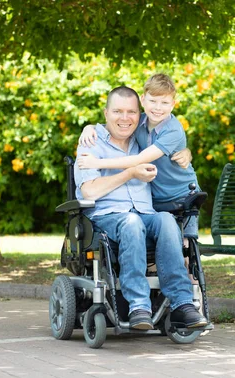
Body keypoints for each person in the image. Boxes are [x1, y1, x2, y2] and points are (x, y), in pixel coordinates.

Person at [74, 85, 207, 330]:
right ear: (105, 113)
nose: (125, 118)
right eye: (117, 112)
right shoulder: (91, 144)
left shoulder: (142, 139)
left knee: (167, 220)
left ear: (139, 114)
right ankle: (138, 306)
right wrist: (129, 173)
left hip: (146, 215)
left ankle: (182, 304)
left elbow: (169, 140)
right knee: (131, 222)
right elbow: (89, 190)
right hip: (108, 218)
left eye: (131, 112)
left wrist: (185, 151)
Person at [77, 73, 201, 239]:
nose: (158, 107)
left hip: (183, 195)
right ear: (143, 100)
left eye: (164, 103)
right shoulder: (139, 122)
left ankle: (184, 263)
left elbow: (138, 160)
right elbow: (117, 123)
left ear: (173, 105)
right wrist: (89, 127)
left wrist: (97, 162)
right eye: (153, 101)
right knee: (160, 242)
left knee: (185, 246)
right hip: (157, 198)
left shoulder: (173, 129)